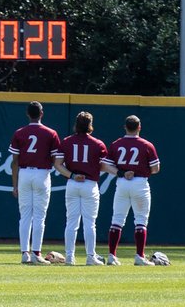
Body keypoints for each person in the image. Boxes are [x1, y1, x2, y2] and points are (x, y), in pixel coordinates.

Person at [101, 114, 160, 266]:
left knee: (117, 220)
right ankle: (139, 256)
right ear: (139, 127)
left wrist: (121, 172)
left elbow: (105, 166)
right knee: (140, 221)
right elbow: (155, 168)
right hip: (140, 182)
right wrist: (141, 169)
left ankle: (112, 256)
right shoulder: (147, 145)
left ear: (125, 127)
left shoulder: (116, 144)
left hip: (122, 182)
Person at [55, 110, 112, 265]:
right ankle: (90, 256)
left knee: (71, 222)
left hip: (73, 183)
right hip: (89, 183)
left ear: (76, 125)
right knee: (89, 223)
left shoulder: (66, 141)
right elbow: (104, 166)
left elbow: (58, 165)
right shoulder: (98, 144)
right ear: (90, 125)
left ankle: (69, 257)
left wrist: (72, 175)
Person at [9, 100, 62, 264]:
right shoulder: (51, 133)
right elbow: (55, 160)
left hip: (24, 173)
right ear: (41, 113)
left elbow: (14, 162)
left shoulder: (20, 132)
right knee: (39, 217)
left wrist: (15, 184)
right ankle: (36, 254)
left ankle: (25, 253)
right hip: (42, 174)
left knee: (24, 216)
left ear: (27, 114)